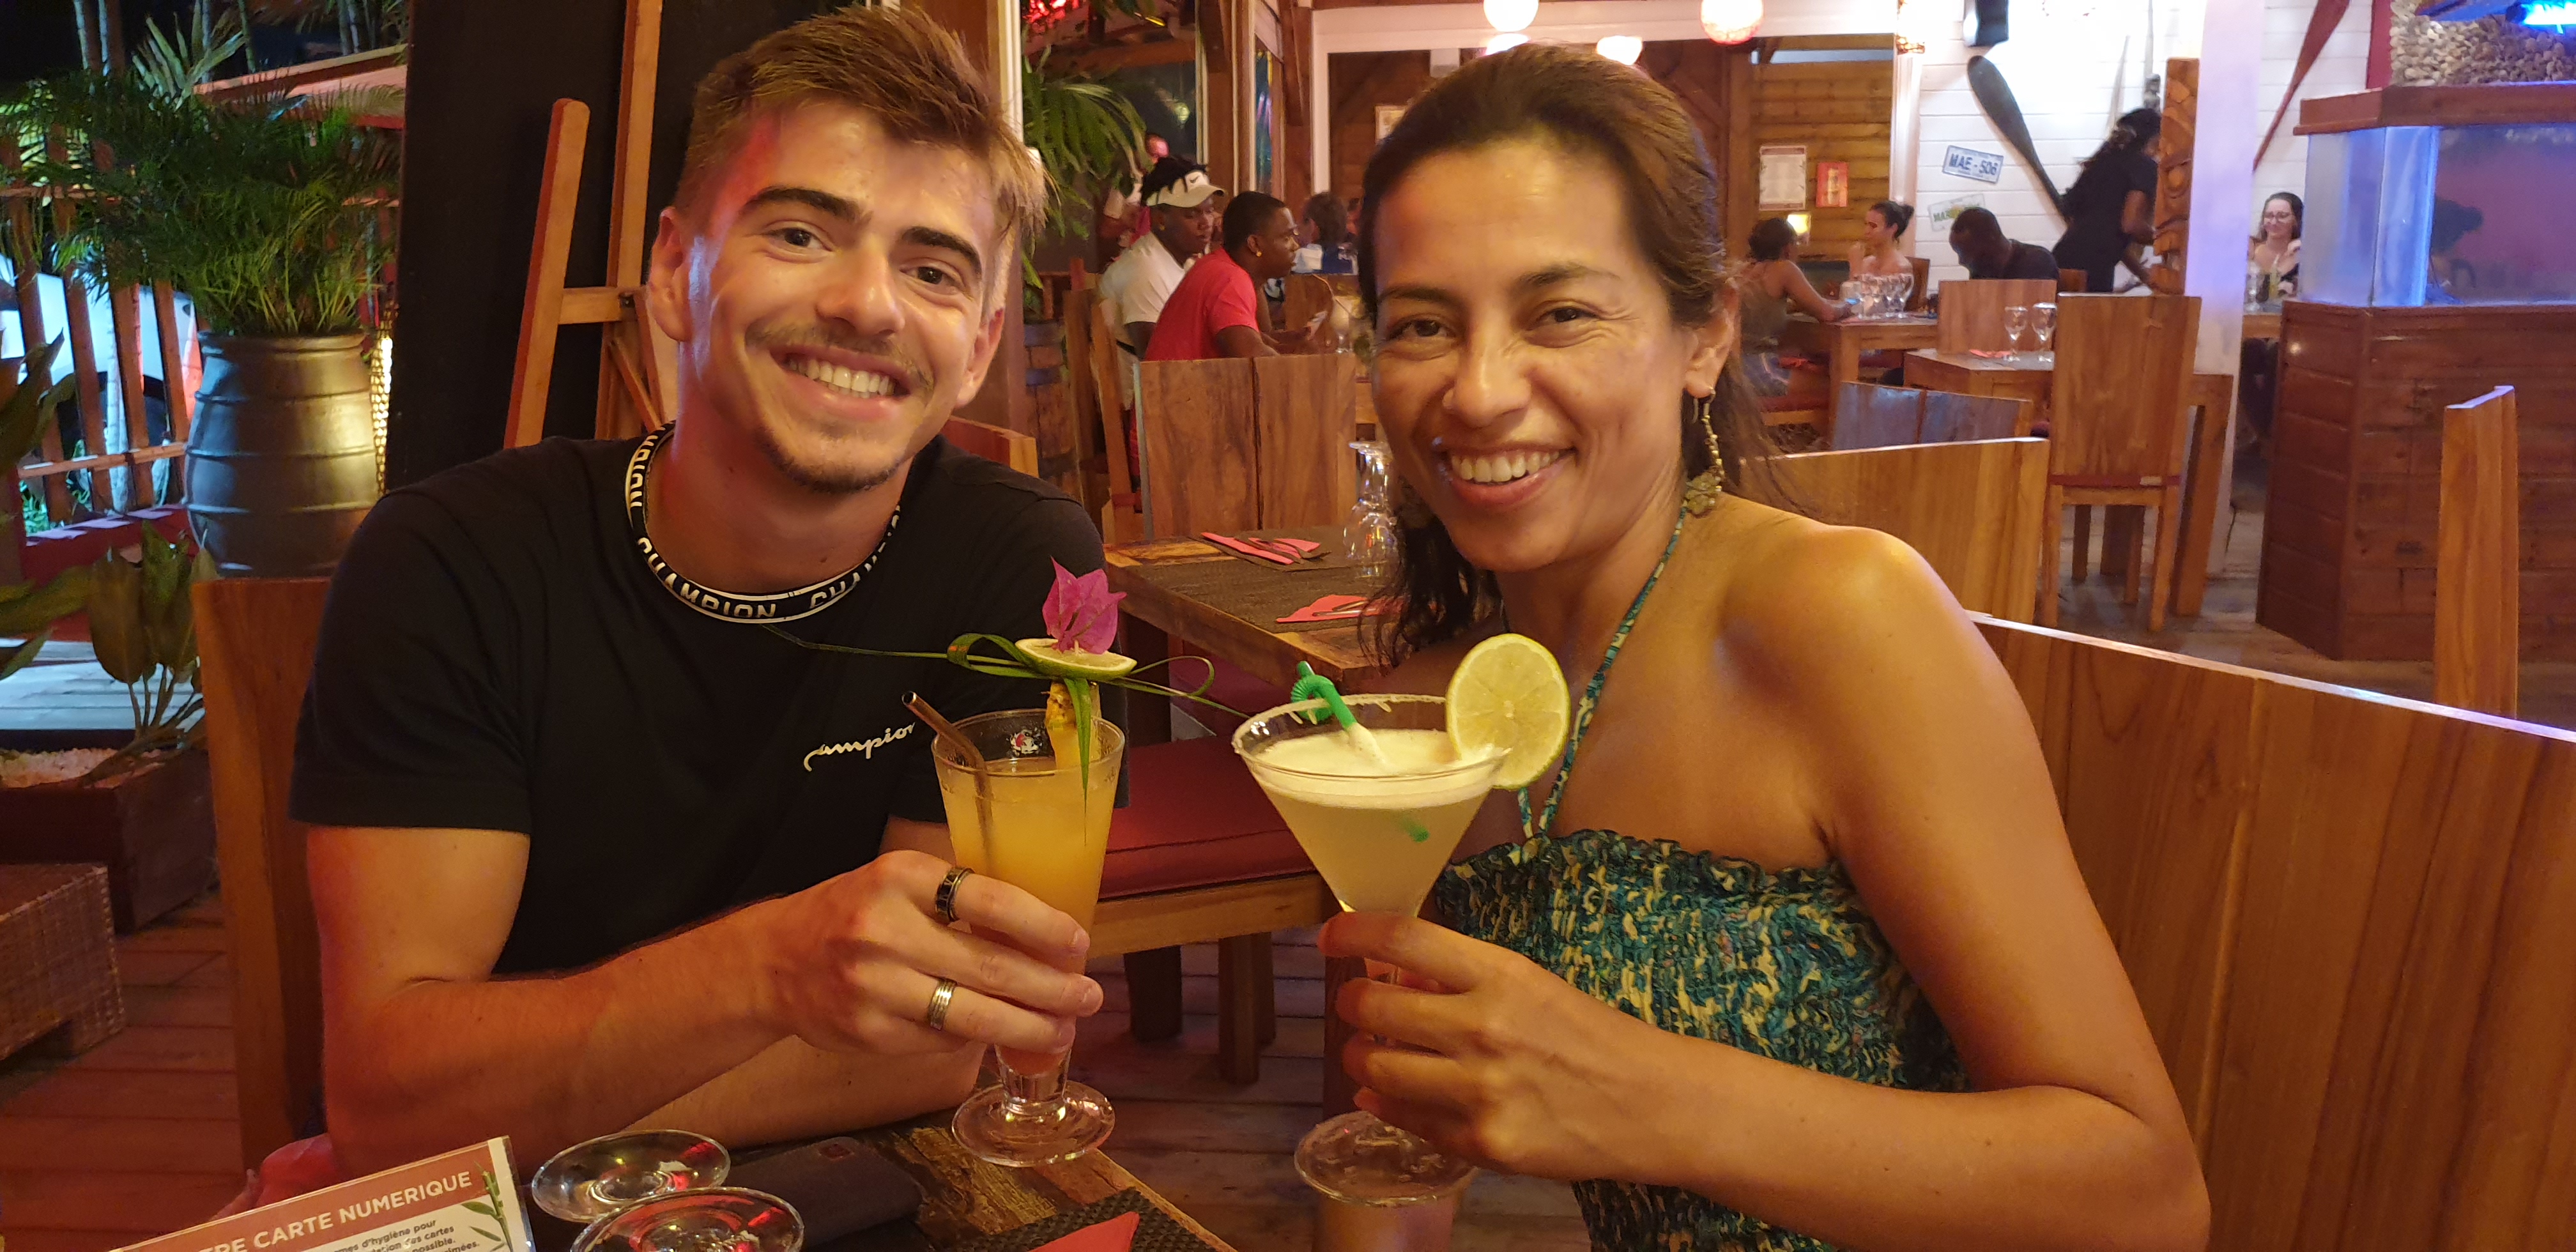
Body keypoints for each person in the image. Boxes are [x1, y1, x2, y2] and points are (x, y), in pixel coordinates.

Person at [1333, 43, 2207, 1250]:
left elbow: (2147, 1196)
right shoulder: (1432, 713)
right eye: (1424, 324)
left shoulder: (1838, 616)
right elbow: (1402, 1151)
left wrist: (1639, 1099)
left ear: (1702, 338)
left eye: (1562, 314)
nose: (1478, 393)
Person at [293, 6, 1110, 1175]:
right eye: (801, 233)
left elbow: (943, 1042)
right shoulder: (451, 564)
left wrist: (515, 1093)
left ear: (976, 348)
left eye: (931, 269)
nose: (869, 305)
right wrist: (764, 973)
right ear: (677, 274)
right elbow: (389, 1100)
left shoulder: (1020, 564)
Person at [1146, 190, 1331, 360]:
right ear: (1254, 244)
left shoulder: (1223, 267)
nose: (1295, 246)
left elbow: (1255, 341)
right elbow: (1257, 361)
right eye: (1286, 237)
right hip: (1177, 386)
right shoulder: (1229, 279)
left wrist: (1289, 344)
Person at [1098, 155, 1222, 355]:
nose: (1206, 223)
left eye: (1209, 211)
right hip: (1147, 375)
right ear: (1160, 218)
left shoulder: (1185, 263)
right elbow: (1158, 360)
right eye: (1191, 214)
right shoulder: (1144, 271)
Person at [2053, 107, 2160, 294]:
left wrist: (2143, 274)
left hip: (2063, 260)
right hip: (2093, 267)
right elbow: (2131, 225)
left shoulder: (2102, 163)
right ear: (2156, 139)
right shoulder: (2144, 167)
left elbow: (2107, 232)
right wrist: (2168, 239)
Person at [1738, 216, 1844, 399]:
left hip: (1735, 369)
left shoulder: (1744, 270)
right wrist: (1849, 305)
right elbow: (1827, 314)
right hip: (1759, 370)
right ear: (1788, 248)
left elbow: (1765, 307)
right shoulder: (1784, 269)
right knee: (1838, 387)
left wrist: (1798, 306)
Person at [1950, 207, 2060, 281]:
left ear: (1991, 238)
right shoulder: (1983, 271)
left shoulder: (2037, 261)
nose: (1962, 261)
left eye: (1968, 252)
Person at [2248, 191, 2301, 303]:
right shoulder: (2250, 250)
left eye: (2282, 216)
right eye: (2269, 216)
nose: (2274, 222)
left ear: (2296, 220)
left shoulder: (2303, 257)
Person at [1846, 199, 1916, 279]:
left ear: (1893, 228)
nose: (1867, 231)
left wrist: (1855, 269)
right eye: (1866, 224)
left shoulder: (1900, 268)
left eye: (1873, 226)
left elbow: (1864, 286)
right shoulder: (1866, 263)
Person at [1296, 191, 1356, 275]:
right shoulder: (1354, 258)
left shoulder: (1300, 258)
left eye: (1301, 222)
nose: (1298, 226)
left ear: (1312, 226)